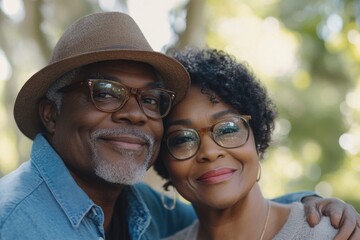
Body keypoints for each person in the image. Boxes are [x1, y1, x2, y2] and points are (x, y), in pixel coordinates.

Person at [0, 11, 358, 240]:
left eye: (150, 99)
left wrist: (314, 205)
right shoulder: (12, 223)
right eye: (106, 93)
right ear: (51, 113)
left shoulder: (143, 208)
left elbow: (222, 208)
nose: (135, 113)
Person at [154, 48, 360, 240]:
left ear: (257, 138)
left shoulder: (332, 235)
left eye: (228, 129)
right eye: (183, 139)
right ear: (163, 160)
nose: (209, 151)